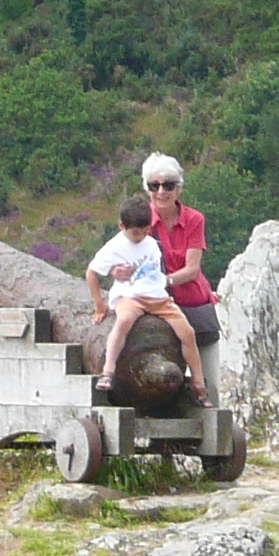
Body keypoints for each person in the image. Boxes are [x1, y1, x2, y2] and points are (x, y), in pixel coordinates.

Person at [89, 196, 210, 402]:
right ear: (122, 226)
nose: (141, 236)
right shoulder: (115, 246)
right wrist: (100, 305)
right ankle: (108, 370)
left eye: (145, 231)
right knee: (123, 322)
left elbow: (157, 275)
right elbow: (91, 273)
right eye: (136, 232)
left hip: (158, 297)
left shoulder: (152, 244)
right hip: (131, 296)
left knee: (187, 332)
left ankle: (198, 382)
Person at [138, 152, 222, 399]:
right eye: (154, 186)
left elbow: (192, 269)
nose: (161, 192)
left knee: (208, 383)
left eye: (168, 185)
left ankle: (213, 424)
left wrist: (165, 281)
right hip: (156, 306)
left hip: (193, 303)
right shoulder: (140, 221)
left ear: (178, 188)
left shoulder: (194, 219)